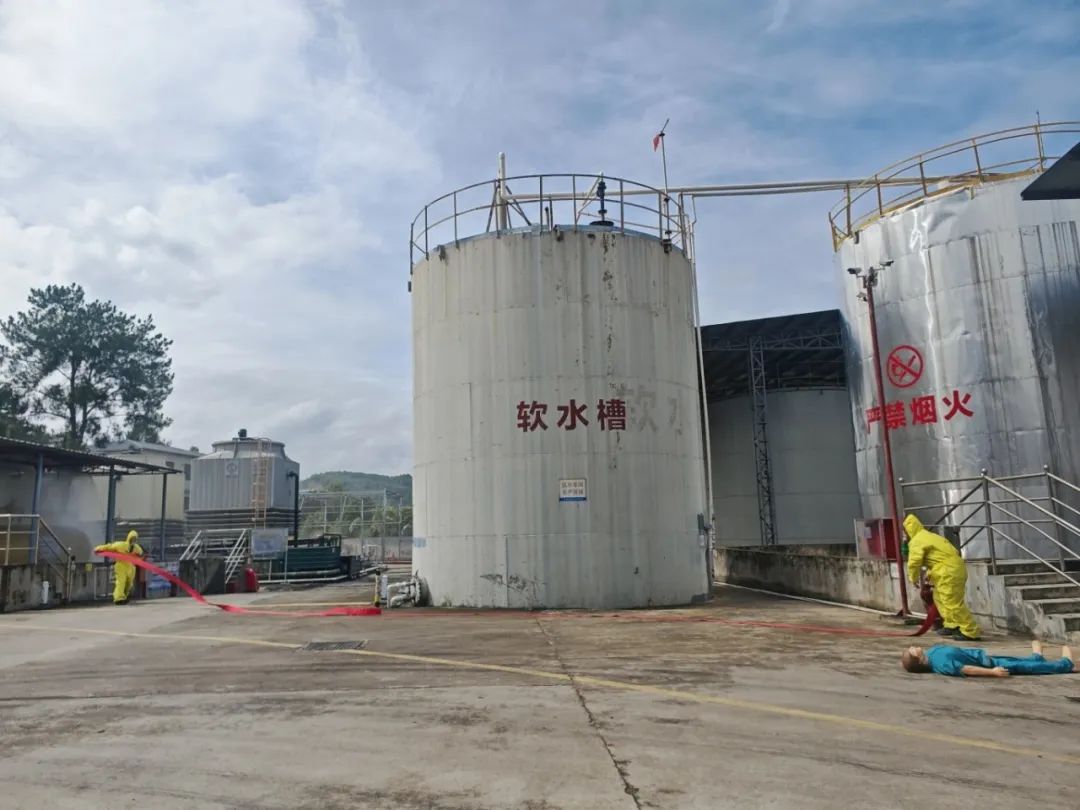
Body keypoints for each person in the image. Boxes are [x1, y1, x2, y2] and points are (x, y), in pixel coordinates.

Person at [903, 514, 980, 640]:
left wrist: (913, 578)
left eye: (904, 531)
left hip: (948, 571)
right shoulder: (930, 536)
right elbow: (939, 557)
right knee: (939, 598)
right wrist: (930, 574)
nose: (904, 535)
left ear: (908, 530)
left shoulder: (917, 541)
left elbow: (914, 562)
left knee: (951, 602)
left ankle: (970, 631)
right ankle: (952, 624)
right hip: (950, 568)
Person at [902, 640, 1075, 677]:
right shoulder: (942, 665)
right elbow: (967, 669)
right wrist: (992, 672)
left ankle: (1036, 657)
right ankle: (1065, 664)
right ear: (919, 660)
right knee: (1025, 667)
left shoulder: (932, 652)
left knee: (1016, 660)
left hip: (983, 657)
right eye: (912, 651)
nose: (913, 647)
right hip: (988, 664)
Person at [94, 530, 145, 605]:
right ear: (129, 538)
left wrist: (140, 557)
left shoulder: (137, 548)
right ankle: (118, 598)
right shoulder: (121, 545)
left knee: (129, 584)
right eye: (132, 538)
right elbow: (109, 546)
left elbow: (141, 554)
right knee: (121, 582)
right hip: (121, 566)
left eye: (135, 539)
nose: (133, 540)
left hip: (130, 567)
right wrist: (98, 548)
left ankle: (123, 597)